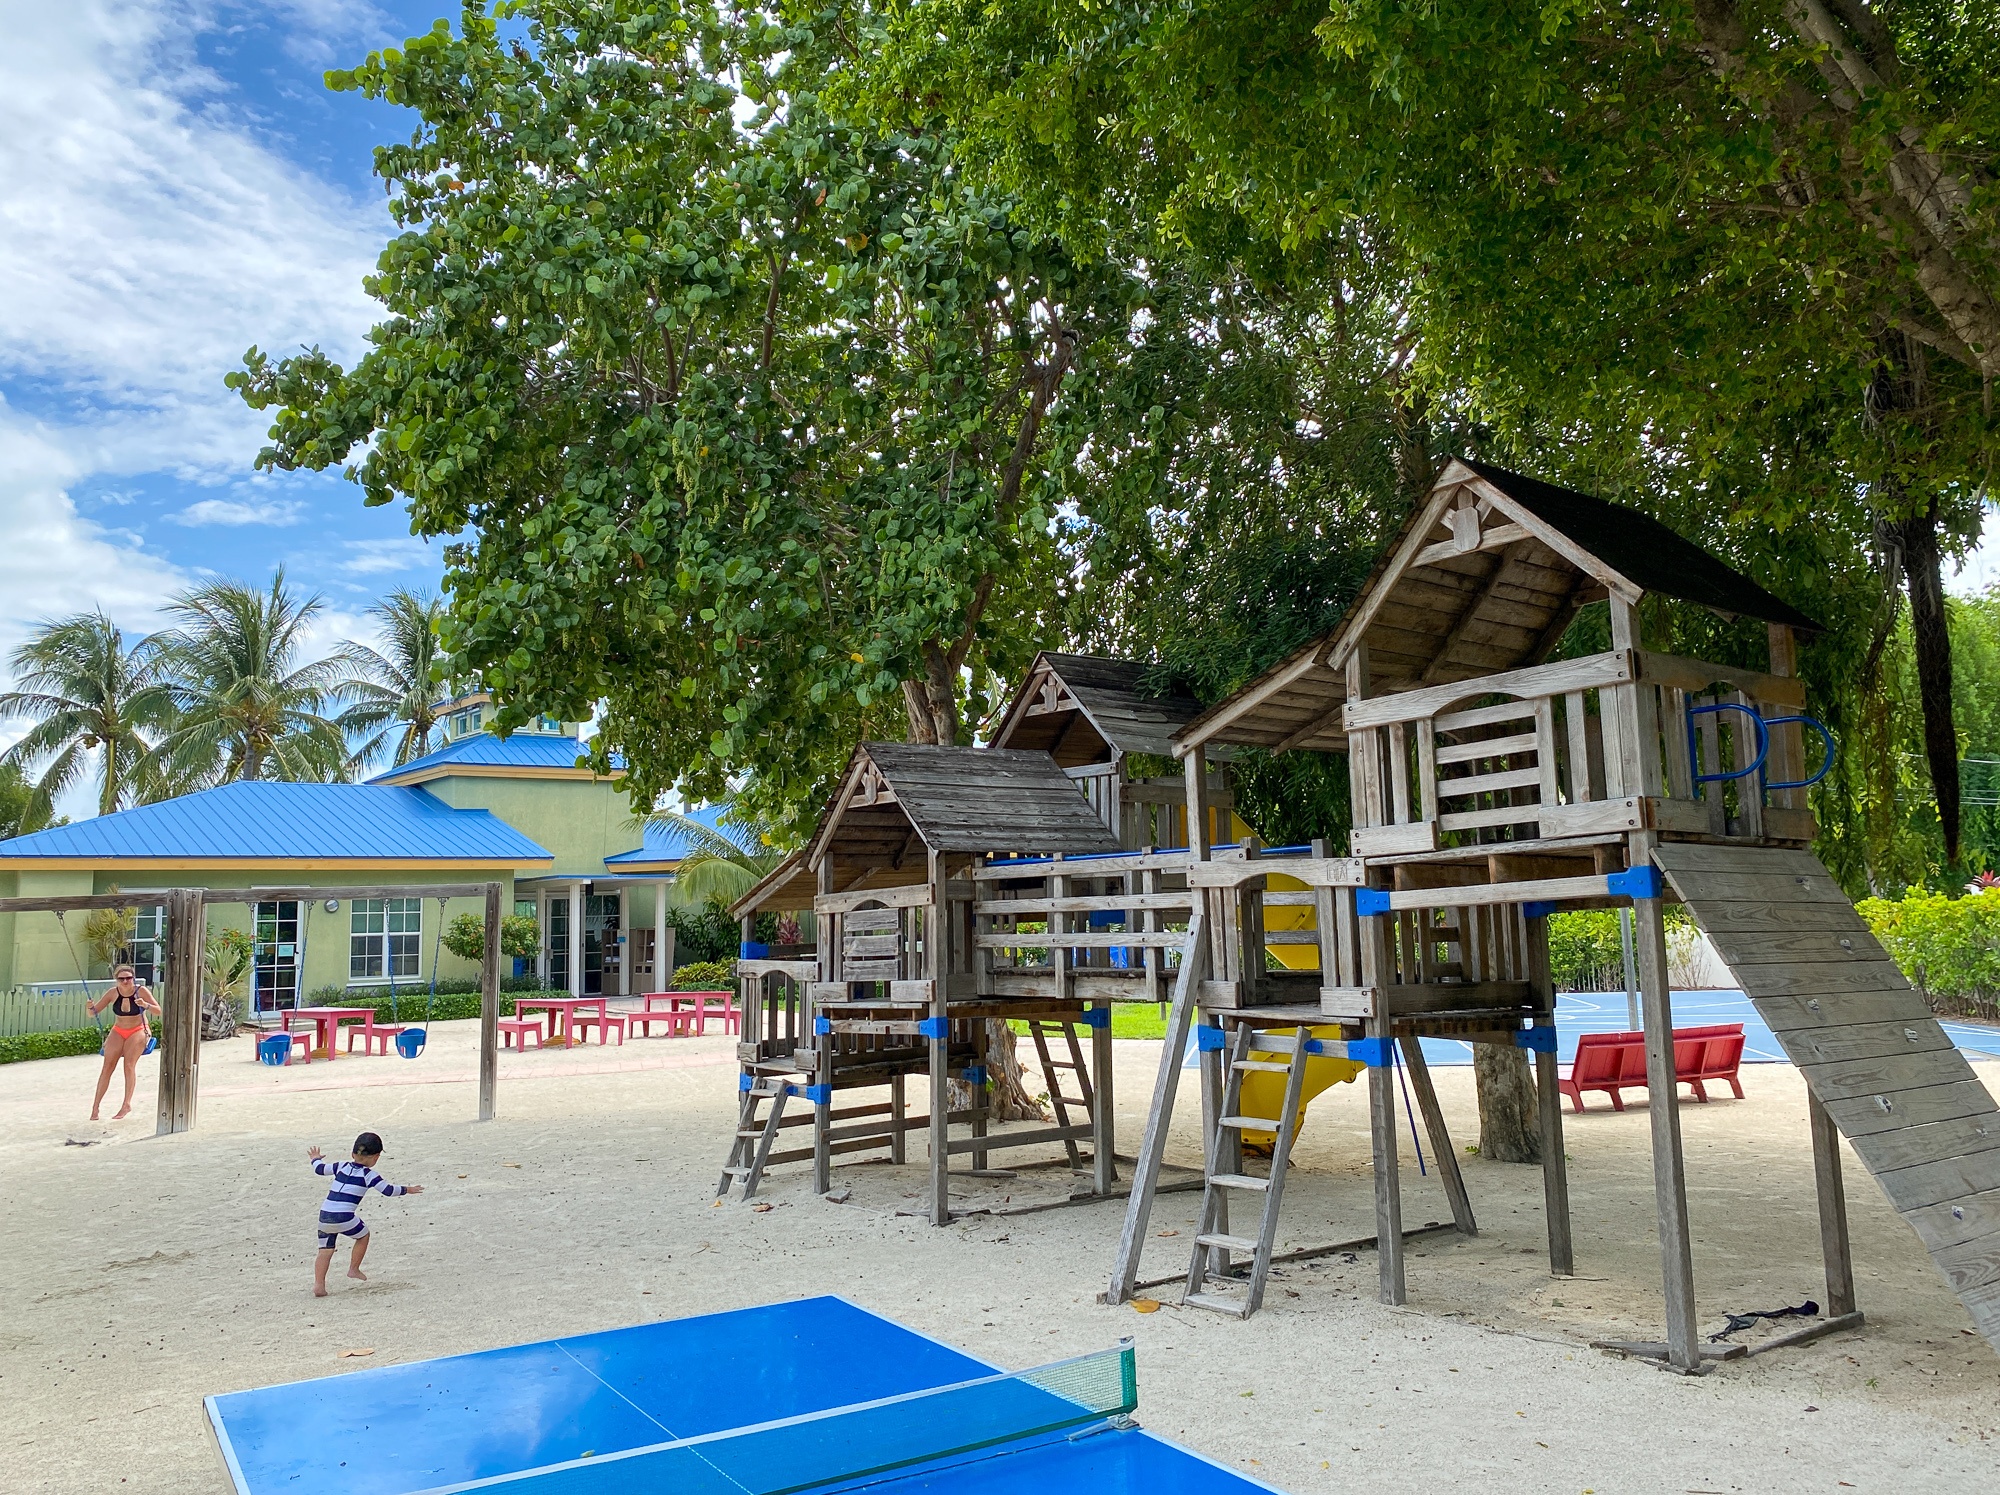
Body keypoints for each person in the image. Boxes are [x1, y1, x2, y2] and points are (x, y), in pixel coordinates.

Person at [308, 1132, 423, 1296]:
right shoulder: (369, 1175)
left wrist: (315, 1158)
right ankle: (353, 1268)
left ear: (352, 1154)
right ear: (376, 1157)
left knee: (325, 1251)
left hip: (325, 1215)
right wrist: (407, 1189)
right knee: (363, 1236)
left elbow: (319, 1169)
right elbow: (388, 1190)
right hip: (344, 1217)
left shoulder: (340, 1166)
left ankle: (319, 1285)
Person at [87, 964, 160, 1121]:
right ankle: (95, 1107)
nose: (126, 981)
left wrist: (145, 1005)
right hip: (118, 1029)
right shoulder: (113, 993)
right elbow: (93, 1013)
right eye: (122, 979)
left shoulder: (141, 991)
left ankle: (126, 1104)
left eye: (129, 978)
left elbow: (158, 1010)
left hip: (138, 1029)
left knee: (128, 1065)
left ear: (133, 978)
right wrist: (89, 1008)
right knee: (107, 1066)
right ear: (116, 980)